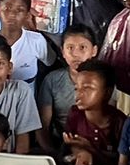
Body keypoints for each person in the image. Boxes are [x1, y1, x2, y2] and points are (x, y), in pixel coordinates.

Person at [37, 24, 100, 154]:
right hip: (61, 146)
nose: (75, 54)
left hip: (98, 147)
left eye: (82, 48)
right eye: (70, 48)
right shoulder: (52, 80)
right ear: (62, 52)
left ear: (94, 51)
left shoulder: (104, 81)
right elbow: (42, 124)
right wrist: (52, 153)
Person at [64, 61, 126, 165]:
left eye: (87, 88)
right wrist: (78, 151)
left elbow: (121, 162)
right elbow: (67, 152)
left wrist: (90, 148)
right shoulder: (75, 115)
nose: (78, 95)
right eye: (76, 88)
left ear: (107, 92)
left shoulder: (120, 122)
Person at [0, 0, 51, 85]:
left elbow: (51, 65)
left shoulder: (36, 41)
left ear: (27, 15)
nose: (12, 14)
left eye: (19, 10)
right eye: (7, 8)